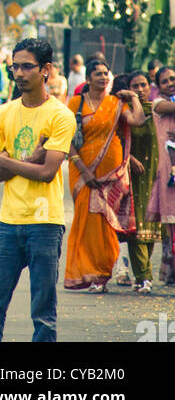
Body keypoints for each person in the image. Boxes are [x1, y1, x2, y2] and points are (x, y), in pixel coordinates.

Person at [0, 38, 75, 343]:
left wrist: (9, 160)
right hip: (9, 223)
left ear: (46, 70)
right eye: (15, 66)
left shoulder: (60, 116)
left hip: (45, 223)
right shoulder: (2, 114)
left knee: (43, 313)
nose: (19, 73)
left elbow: (46, 173)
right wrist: (29, 159)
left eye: (27, 66)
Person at [64, 58, 145, 291]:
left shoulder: (116, 103)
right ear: (88, 79)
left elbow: (137, 120)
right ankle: (89, 273)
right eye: (97, 73)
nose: (103, 76)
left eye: (106, 73)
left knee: (107, 223)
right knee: (87, 222)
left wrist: (135, 98)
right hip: (82, 171)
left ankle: (102, 275)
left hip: (112, 173)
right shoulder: (76, 103)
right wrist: (82, 169)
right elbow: (67, 139)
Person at [118, 69, 158, 293]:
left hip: (155, 172)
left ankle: (142, 274)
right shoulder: (124, 111)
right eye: (136, 86)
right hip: (132, 174)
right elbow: (115, 137)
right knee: (136, 225)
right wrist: (129, 157)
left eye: (144, 85)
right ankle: (144, 276)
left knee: (151, 226)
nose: (141, 90)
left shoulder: (157, 110)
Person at [145, 64, 175, 285]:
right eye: (165, 81)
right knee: (171, 223)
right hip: (168, 169)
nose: (170, 83)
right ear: (158, 86)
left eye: (173, 79)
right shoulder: (158, 104)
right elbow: (166, 107)